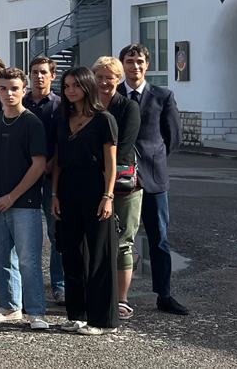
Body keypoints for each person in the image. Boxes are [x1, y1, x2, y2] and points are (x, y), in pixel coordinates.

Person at [117, 43, 187, 316]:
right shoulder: (113, 95)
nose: (135, 66)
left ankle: (164, 295)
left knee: (159, 239)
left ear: (147, 65)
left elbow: (174, 136)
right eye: (130, 61)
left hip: (154, 180)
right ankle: (118, 295)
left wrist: (153, 157)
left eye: (139, 61)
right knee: (121, 239)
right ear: (122, 64)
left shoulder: (163, 95)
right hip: (122, 180)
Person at [51, 66, 119, 335]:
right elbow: (57, 160)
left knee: (100, 254)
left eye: (76, 85)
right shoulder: (62, 119)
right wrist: (54, 194)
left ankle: (102, 320)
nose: (70, 91)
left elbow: (111, 162)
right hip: (67, 190)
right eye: (66, 86)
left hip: (96, 190)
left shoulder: (104, 120)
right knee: (71, 253)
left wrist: (108, 196)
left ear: (87, 86)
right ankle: (76, 314)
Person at [0, 67, 49, 330]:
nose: (9, 93)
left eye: (14, 88)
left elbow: (38, 165)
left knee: (28, 259)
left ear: (24, 91)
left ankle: (36, 312)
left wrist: (12, 196)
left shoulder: (32, 122)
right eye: (3, 88)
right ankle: (10, 308)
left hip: (23, 204)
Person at [92, 56, 141, 322]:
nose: (104, 81)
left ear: (119, 78)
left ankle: (121, 300)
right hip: (92, 182)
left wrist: (101, 173)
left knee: (123, 242)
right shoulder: (87, 105)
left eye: (109, 76)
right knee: (95, 241)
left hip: (123, 185)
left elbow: (124, 146)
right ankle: (98, 295)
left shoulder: (128, 106)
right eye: (99, 76)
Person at [23, 55, 64, 304]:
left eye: (43, 72)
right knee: (26, 236)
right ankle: (28, 287)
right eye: (34, 71)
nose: (38, 76)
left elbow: (63, 140)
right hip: (23, 179)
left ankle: (59, 285)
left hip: (51, 176)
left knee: (56, 232)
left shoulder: (61, 105)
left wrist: (50, 164)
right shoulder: (20, 101)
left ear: (52, 76)